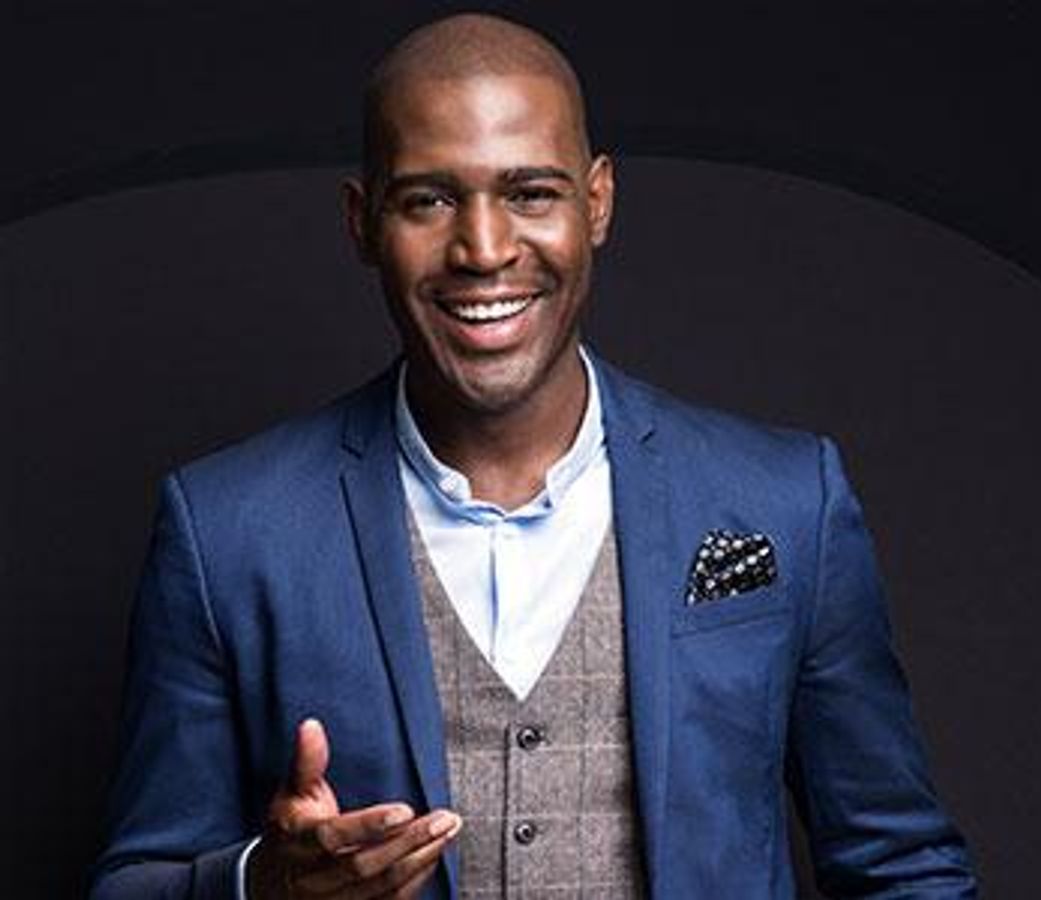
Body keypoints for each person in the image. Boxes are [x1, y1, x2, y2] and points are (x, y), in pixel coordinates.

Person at [91, 13, 976, 900]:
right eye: (429, 200)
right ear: (362, 224)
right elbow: (133, 884)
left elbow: (903, 868)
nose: (484, 250)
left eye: (531, 194)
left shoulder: (783, 500)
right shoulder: (227, 533)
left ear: (598, 203)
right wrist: (261, 885)